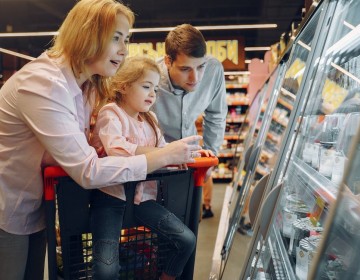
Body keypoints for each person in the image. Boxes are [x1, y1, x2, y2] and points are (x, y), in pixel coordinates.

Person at [0, 1, 201, 279]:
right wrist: (163, 156)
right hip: (7, 208)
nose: (123, 49)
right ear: (87, 34)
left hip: (34, 205)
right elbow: (88, 170)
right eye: (116, 37)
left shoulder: (86, 86)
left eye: (126, 39)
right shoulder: (44, 84)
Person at [90, 55, 203, 280]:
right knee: (106, 270)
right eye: (146, 87)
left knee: (186, 240)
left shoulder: (150, 119)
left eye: (155, 89)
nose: (152, 94)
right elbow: (117, 150)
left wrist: (191, 153)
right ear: (123, 86)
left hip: (145, 199)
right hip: (110, 199)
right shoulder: (110, 113)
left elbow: (163, 149)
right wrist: (166, 154)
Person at [153, 23, 228, 219]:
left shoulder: (213, 70)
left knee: (189, 222)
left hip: (191, 162)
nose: (195, 77)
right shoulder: (151, 78)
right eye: (185, 69)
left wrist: (211, 156)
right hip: (156, 165)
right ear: (168, 61)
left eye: (200, 66)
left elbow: (216, 115)